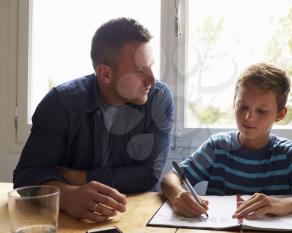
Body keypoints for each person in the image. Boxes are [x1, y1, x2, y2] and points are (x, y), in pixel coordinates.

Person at [13, 18, 174, 222]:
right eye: (140, 70)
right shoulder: (60, 104)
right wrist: (68, 196)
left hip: (140, 215)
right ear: (105, 74)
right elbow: (26, 177)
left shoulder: (159, 98)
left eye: (151, 66)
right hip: (69, 221)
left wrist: (78, 177)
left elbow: (147, 176)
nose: (152, 79)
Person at [161, 63, 292, 219]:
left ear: (280, 114)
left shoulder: (286, 156)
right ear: (234, 102)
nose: (249, 117)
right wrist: (178, 194)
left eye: (261, 111)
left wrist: (285, 205)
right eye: (243, 106)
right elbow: (170, 178)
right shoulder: (217, 147)